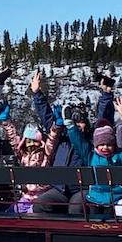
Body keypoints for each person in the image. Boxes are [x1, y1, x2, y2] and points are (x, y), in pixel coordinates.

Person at [66, 106, 122, 217]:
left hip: (115, 200)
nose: (105, 148)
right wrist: (70, 126)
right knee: (93, 220)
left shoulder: (118, 159)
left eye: (109, 145)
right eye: (101, 145)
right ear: (96, 146)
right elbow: (79, 143)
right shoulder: (90, 157)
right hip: (94, 199)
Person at [3, 75, 64, 212]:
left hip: (40, 195)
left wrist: (57, 126)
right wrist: (5, 121)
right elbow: (13, 138)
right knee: (11, 213)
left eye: (34, 141)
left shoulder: (45, 153)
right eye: (28, 141)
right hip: (25, 196)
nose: (31, 144)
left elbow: (52, 139)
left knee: (32, 215)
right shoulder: (23, 154)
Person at [30, 72, 88, 213]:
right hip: (59, 188)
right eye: (74, 122)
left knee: (76, 206)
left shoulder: (89, 140)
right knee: (40, 203)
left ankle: (74, 235)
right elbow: (48, 119)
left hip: (81, 189)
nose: (78, 125)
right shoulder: (61, 138)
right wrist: (37, 93)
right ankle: (46, 234)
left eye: (81, 121)